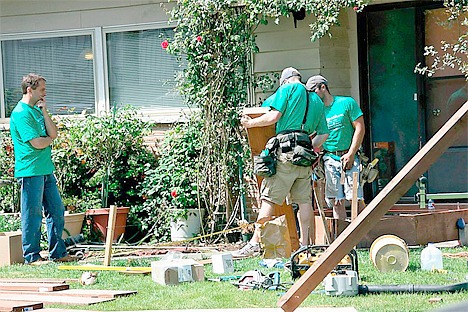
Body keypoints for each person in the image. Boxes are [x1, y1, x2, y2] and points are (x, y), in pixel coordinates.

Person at [233, 67, 329, 257]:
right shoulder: (317, 99)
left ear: (284, 81)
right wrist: (310, 147)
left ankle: (254, 244)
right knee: (304, 202)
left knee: (269, 198)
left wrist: (250, 123)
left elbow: (273, 116)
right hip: (305, 157)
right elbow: (324, 133)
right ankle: (305, 246)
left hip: (285, 153)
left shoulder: (287, 90)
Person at [10, 73, 76, 264]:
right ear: (30, 90)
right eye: (42, 90)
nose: (45, 93)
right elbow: (38, 143)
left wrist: (45, 111)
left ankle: (58, 253)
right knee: (33, 214)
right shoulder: (21, 113)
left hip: (46, 169)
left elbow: (53, 134)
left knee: (56, 211)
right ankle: (31, 256)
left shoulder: (36, 110)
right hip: (30, 171)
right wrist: (47, 141)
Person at [306, 75, 365, 221]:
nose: (312, 96)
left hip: (350, 156)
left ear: (323, 87)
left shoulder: (346, 103)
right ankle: (343, 238)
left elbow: (360, 128)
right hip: (330, 159)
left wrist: (351, 154)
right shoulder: (317, 112)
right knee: (336, 201)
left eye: (314, 91)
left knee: (355, 198)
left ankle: (364, 234)